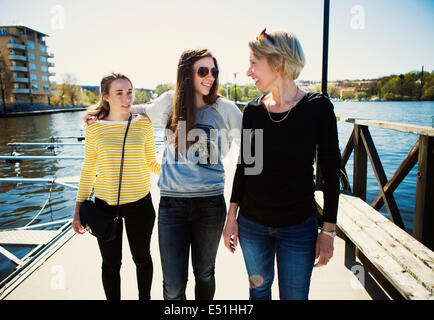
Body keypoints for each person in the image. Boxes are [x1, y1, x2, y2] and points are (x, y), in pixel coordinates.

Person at [84, 49, 242, 300]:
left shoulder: (226, 109)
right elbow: (137, 109)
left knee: (204, 274)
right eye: (203, 70)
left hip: (209, 205)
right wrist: (101, 113)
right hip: (172, 206)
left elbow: (253, 159)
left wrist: (236, 215)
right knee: (172, 286)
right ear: (186, 73)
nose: (210, 77)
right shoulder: (169, 102)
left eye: (214, 71)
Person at [223, 29, 340, 300]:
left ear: (278, 62)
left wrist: (328, 231)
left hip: (298, 226)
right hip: (252, 225)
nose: (248, 71)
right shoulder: (253, 111)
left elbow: (331, 174)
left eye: (254, 62)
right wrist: (231, 218)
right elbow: (245, 167)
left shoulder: (318, 108)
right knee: (259, 290)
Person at [72, 73, 161, 300]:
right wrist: (78, 209)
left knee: (142, 258)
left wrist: (178, 175)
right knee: (111, 264)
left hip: (140, 204)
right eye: (119, 92)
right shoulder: (95, 128)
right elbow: (89, 169)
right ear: (106, 97)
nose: (127, 98)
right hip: (105, 206)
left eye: (129, 92)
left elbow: (151, 162)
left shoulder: (143, 124)